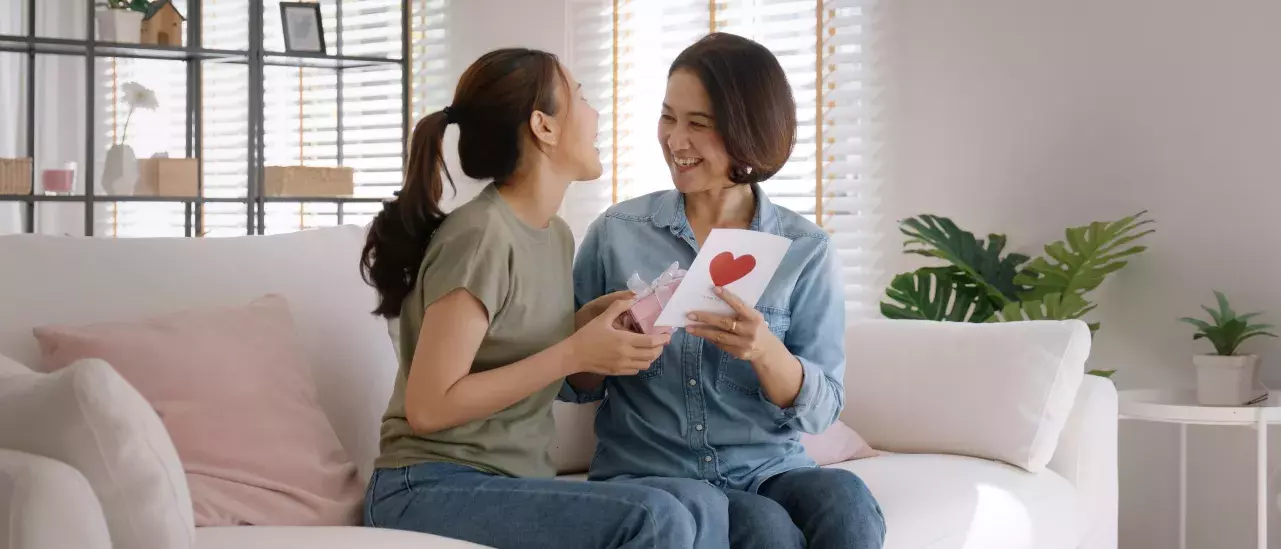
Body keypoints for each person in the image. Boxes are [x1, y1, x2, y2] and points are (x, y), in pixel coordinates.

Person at [360, 47, 702, 549]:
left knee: (694, 501)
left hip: (507, 481)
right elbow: (429, 407)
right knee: (654, 518)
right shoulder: (481, 236)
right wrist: (574, 350)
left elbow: (521, 346)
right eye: (581, 98)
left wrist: (590, 325)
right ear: (543, 126)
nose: (595, 113)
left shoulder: (555, 234)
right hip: (427, 484)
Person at [565, 33, 887, 549]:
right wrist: (599, 339)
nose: (675, 140)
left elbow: (823, 409)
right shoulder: (617, 232)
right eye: (668, 117)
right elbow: (573, 386)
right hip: (653, 473)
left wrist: (764, 351)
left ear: (747, 133)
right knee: (763, 527)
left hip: (769, 468)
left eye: (699, 124)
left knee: (845, 500)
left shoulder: (804, 248)